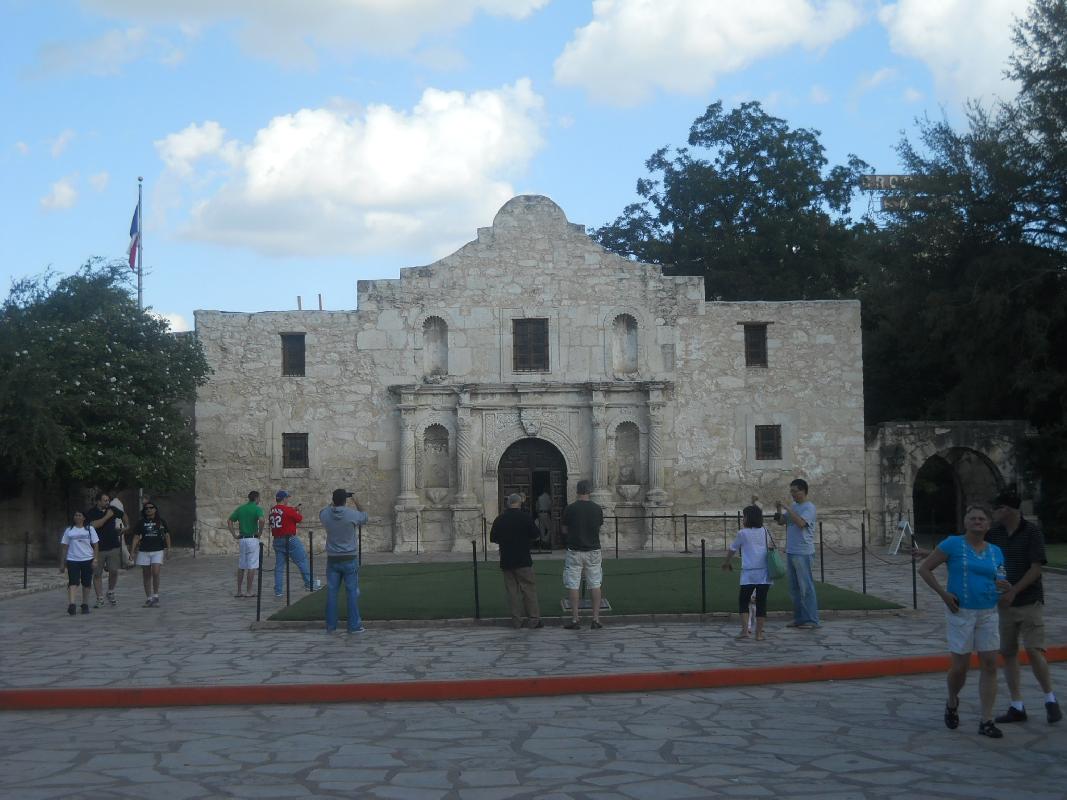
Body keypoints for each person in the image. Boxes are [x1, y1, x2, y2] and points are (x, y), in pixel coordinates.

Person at [918, 504, 1008, 738]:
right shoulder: (952, 544)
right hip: (962, 612)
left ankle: (986, 719)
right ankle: (951, 700)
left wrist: (1003, 587)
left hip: (988, 611)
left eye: (982, 519)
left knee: (990, 663)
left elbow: (999, 577)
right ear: (965, 522)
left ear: (989, 524)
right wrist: (944, 594)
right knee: (960, 667)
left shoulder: (996, 551)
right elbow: (925, 568)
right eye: (973, 518)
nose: (977, 522)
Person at [986, 488, 1062, 725]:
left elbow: (1036, 567)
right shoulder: (994, 533)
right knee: (1008, 653)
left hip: (1029, 601)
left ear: (1008, 509)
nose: (994, 512)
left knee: (1034, 649)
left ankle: (1050, 699)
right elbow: (975, 551)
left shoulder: (1031, 532)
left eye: (997, 508)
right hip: (1005, 605)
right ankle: (1016, 704)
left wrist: (1014, 591)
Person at [319, 489, 369, 635]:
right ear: (345, 500)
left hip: (333, 558)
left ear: (333, 500)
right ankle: (354, 625)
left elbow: (323, 512)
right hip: (349, 557)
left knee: (332, 592)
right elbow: (365, 516)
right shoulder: (351, 514)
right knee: (351, 592)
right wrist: (356, 500)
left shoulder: (326, 514)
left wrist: (332, 503)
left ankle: (331, 625)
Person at [490, 493, 543, 629]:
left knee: (512, 592)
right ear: (520, 503)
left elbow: (493, 538)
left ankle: (516, 621)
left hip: (507, 560)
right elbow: (536, 536)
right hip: (523, 559)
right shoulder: (525, 518)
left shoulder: (500, 519)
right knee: (528, 590)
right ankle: (533, 619)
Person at [721, 504, 774, 641]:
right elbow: (770, 547)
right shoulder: (765, 531)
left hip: (749, 573)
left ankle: (745, 631)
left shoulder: (742, 533)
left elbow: (733, 549)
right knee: (762, 602)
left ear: (748, 518)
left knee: (743, 601)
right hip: (764, 573)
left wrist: (727, 562)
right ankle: (759, 634)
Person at [773, 479, 819, 629]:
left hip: (803, 552)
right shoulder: (793, 506)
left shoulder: (809, 508)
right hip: (792, 550)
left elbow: (800, 523)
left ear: (803, 491)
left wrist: (787, 507)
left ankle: (812, 620)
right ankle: (799, 619)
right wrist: (780, 510)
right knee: (794, 589)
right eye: (791, 491)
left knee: (806, 587)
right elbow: (781, 522)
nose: (792, 494)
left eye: (794, 491)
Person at [561, 479, 604, 630]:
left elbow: (564, 529)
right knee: (595, 583)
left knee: (573, 584)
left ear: (577, 491)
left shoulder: (570, 509)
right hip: (593, 550)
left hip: (575, 550)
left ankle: (575, 619)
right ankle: (596, 619)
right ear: (590, 491)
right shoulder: (597, 509)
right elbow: (598, 526)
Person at [269, 490, 320, 597]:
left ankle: (278, 590)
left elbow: (283, 512)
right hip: (289, 539)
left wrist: (293, 509)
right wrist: (299, 511)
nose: (288, 499)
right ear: (284, 499)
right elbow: (299, 519)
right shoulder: (288, 510)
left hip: (277, 540)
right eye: (287, 498)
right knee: (302, 560)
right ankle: (309, 584)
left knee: (279, 567)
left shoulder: (272, 510)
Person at [129, 502, 171, 607]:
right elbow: (136, 536)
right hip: (144, 551)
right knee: (146, 575)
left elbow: (167, 535)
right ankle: (149, 597)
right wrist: (132, 551)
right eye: (146, 508)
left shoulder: (161, 522)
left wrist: (169, 549)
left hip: (158, 550)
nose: (148, 509)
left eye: (151, 508)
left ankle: (156, 595)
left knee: (156, 572)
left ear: (155, 509)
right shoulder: (141, 522)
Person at [86, 491, 124, 608]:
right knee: (97, 573)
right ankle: (100, 598)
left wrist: (126, 527)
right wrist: (107, 516)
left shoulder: (113, 509)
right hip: (98, 548)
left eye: (108, 500)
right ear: (98, 501)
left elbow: (123, 515)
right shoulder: (91, 513)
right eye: (105, 500)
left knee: (114, 571)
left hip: (113, 545)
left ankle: (111, 591)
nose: (107, 502)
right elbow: (94, 525)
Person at [59, 511, 99, 615]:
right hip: (72, 559)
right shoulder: (69, 530)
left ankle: (84, 603)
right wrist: (62, 563)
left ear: (84, 518)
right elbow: (64, 547)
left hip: (87, 558)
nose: (77, 517)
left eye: (79, 515)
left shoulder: (90, 529)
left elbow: (96, 545)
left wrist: (95, 559)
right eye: (75, 515)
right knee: (73, 582)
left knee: (86, 582)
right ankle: (72, 604)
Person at [228, 491, 264, 597]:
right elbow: (262, 520)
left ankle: (239, 591)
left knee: (242, 565)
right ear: (256, 498)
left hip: (242, 539)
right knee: (252, 565)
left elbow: (229, 521)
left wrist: (234, 535)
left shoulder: (241, 508)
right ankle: (249, 591)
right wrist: (260, 532)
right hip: (252, 538)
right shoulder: (257, 509)